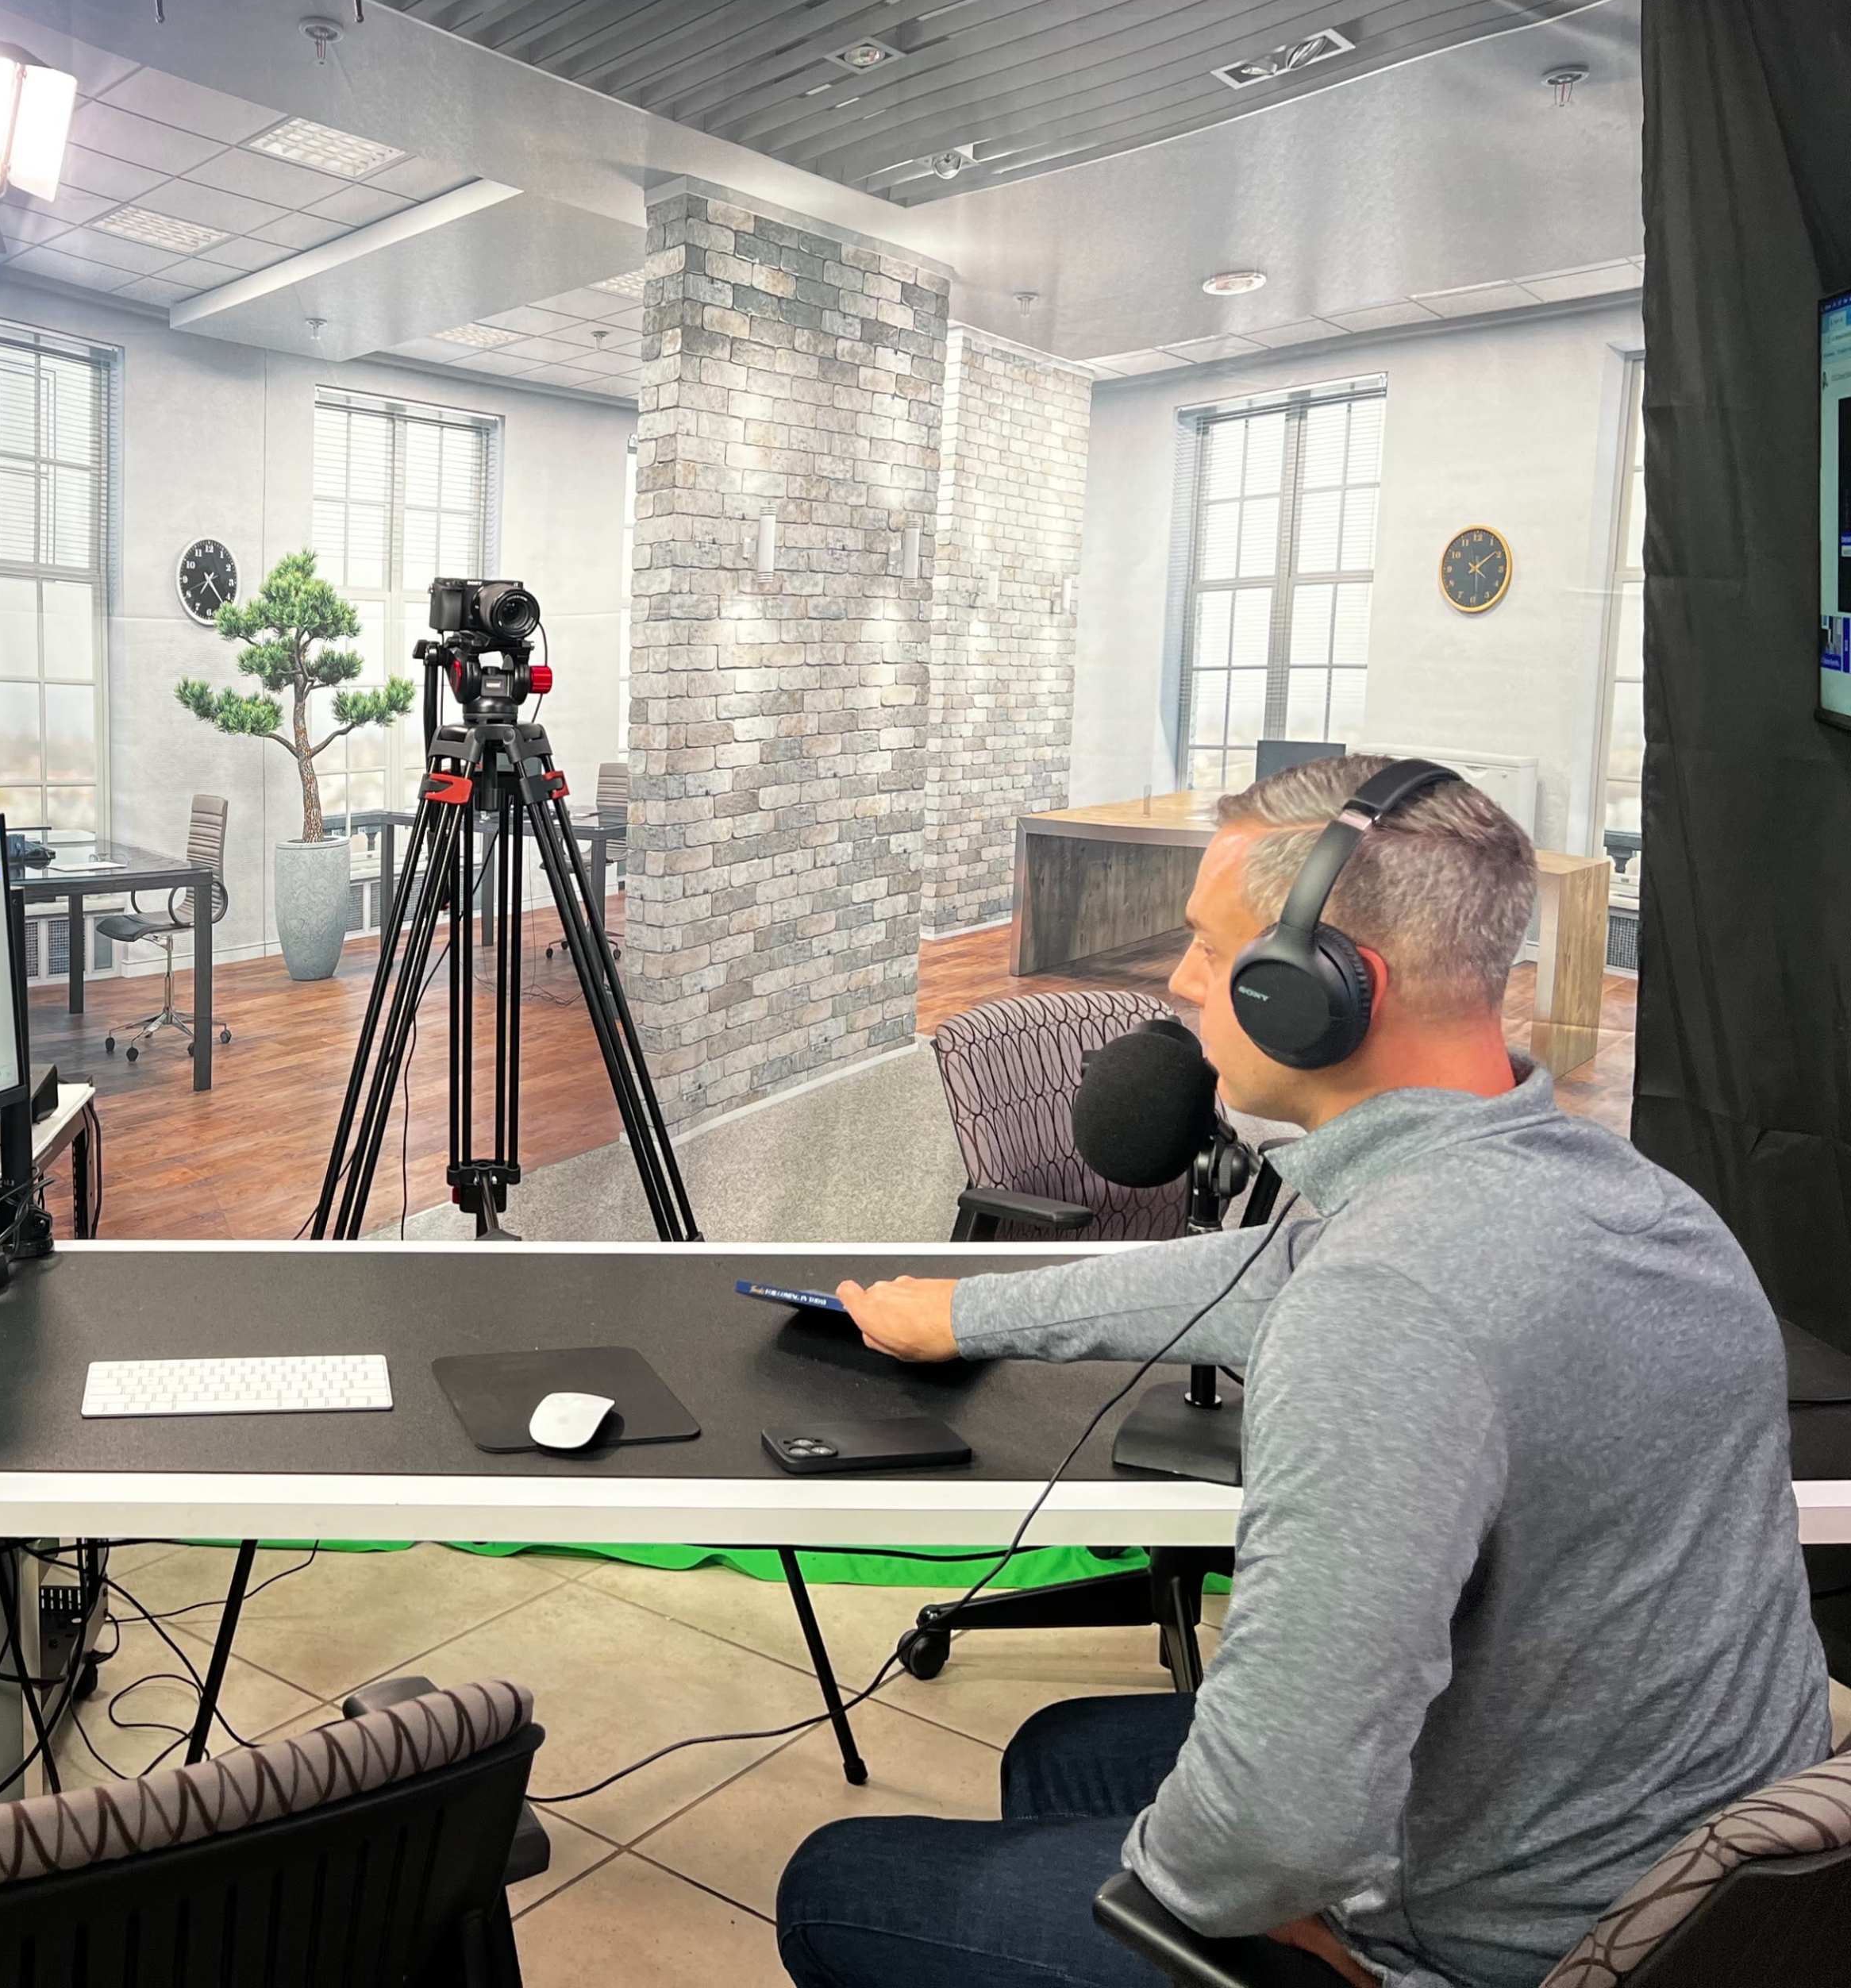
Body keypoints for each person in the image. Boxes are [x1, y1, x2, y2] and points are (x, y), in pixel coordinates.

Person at [781, 757, 1826, 1988]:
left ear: (1321, 993)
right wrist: (967, 1313)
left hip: (1502, 1955)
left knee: (838, 1884)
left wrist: (1214, 1891)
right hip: (1708, 1909)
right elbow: (1249, 1276)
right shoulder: (1641, 1207)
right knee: (1065, 1753)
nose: (1176, 983)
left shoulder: (1390, 1302)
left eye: (1210, 950)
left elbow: (1281, 1818)